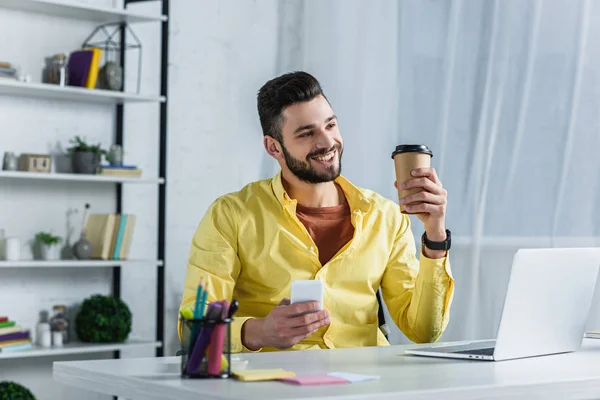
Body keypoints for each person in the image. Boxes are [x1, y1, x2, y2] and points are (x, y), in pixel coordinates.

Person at [179, 71, 454, 352]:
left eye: (331, 125)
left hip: (366, 385)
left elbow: (424, 331)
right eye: (307, 133)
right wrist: (259, 332)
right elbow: (194, 329)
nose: (327, 142)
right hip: (276, 386)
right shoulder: (231, 215)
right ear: (274, 147)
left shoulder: (386, 217)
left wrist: (435, 234)